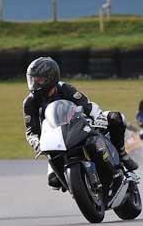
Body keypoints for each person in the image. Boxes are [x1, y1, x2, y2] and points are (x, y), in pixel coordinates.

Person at [23, 56, 138, 188]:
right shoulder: (30, 102)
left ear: (51, 77)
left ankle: (122, 154)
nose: (35, 84)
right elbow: (31, 131)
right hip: (56, 141)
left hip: (77, 127)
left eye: (39, 79)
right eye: (32, 79)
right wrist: (37, 143)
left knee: (115, 118)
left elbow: (86, 105)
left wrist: (98, 116)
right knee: (53, 180)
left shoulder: (64, 88)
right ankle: (83, 188)